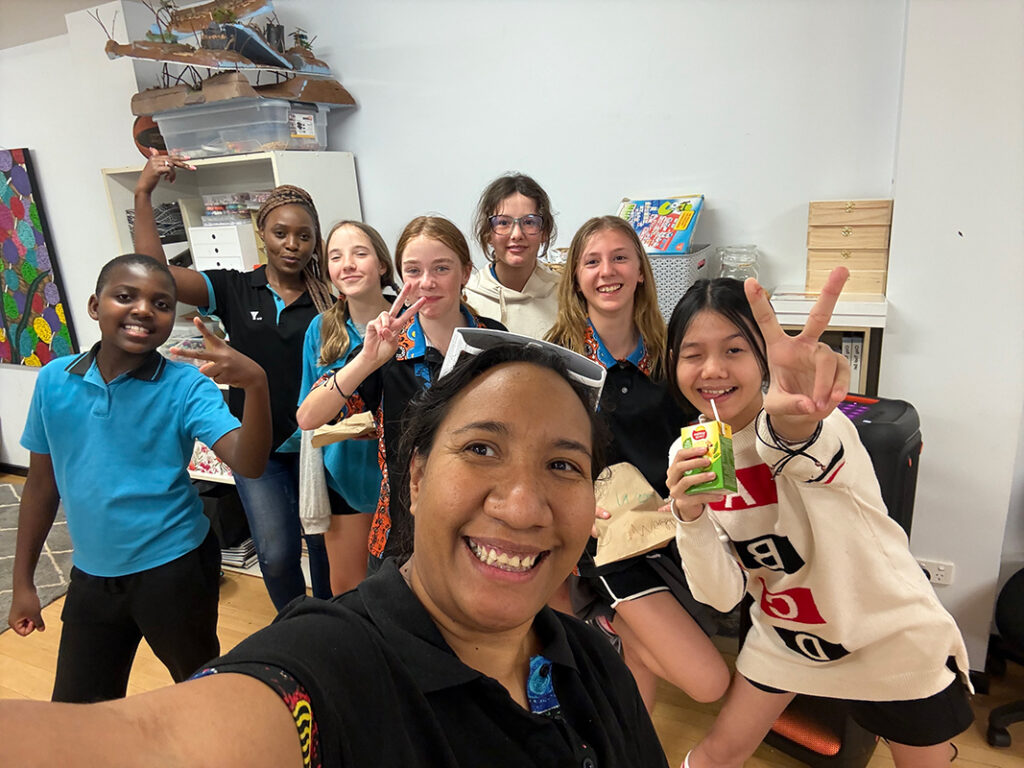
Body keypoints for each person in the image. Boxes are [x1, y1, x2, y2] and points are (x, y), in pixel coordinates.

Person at [0, 338, 670, 768]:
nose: (522, 507)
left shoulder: (589, 660)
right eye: (481, 449)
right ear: (415, 477)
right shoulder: (333, 665)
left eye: (563, 464)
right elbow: (164, 743)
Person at [665, 269, 973, 768]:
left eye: (735, 350)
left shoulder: (822, 426)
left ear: (764, 357)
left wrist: (795, 419)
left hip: (884, 633)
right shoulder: (690, 455)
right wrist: (689, 515)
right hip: (789, 637)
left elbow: (798, 446)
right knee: (716, 755)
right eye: (693, 354)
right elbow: (721, 596)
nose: (712, 370)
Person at [8, 253, 271, 703]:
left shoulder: (186, 386)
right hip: (92, 575)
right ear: (95, 306)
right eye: (126, 296)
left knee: (199, 692)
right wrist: (23, 583)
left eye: (161, 303)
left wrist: (256, 385)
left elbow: (248, 463)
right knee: (76, 709)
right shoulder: (54, 380)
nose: (144, 310)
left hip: (175, 570)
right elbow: (40, 486)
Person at [545, 214, 730, 711]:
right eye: (592, 261)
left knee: (640, 674)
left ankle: (617, 649)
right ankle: (606, 620)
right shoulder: (557, 359)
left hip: (674, 529)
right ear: (576, 277)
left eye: (620, 258)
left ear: (642, 271)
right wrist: (571, 508)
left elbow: (700, 430)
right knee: (709, 682)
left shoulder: (673, 353)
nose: (607, 271)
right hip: (606, 541)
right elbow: (537, 453)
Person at [134, 152, 332, 610]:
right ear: (262, 233)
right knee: (277, 555)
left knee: (324, 550)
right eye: (280, 233)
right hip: (257, 448)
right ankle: (294, 627)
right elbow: (154, 275)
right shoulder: (234, 288)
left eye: (304, 236)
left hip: (319, 446)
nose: (292, 245)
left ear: (315, 241)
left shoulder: (329, 298)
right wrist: (143, 193)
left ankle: (329, 626)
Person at [297, 216, 505, 572]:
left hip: (479, 520)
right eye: (413, 270)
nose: (426, 282)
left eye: (441, 268)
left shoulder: (493, 340)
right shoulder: (387, 346)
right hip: (401, 527)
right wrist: (367, 360)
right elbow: (309, 417)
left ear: (466, 273)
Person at [298, 220, 396, 594]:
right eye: (336, 257)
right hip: (345, 476)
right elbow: (309, 416)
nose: (348, 265)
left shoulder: (411, 321)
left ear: (382, 264)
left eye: (360, 253)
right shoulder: (321, 329)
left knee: (403, 588)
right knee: (349, 589)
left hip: (402, 479)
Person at [464, 172, 560, 338]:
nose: (516, 234)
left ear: (544, 232)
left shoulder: (565, 295)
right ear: (488, 233)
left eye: (529, 222)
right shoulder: (467, 298)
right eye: (503, 222)